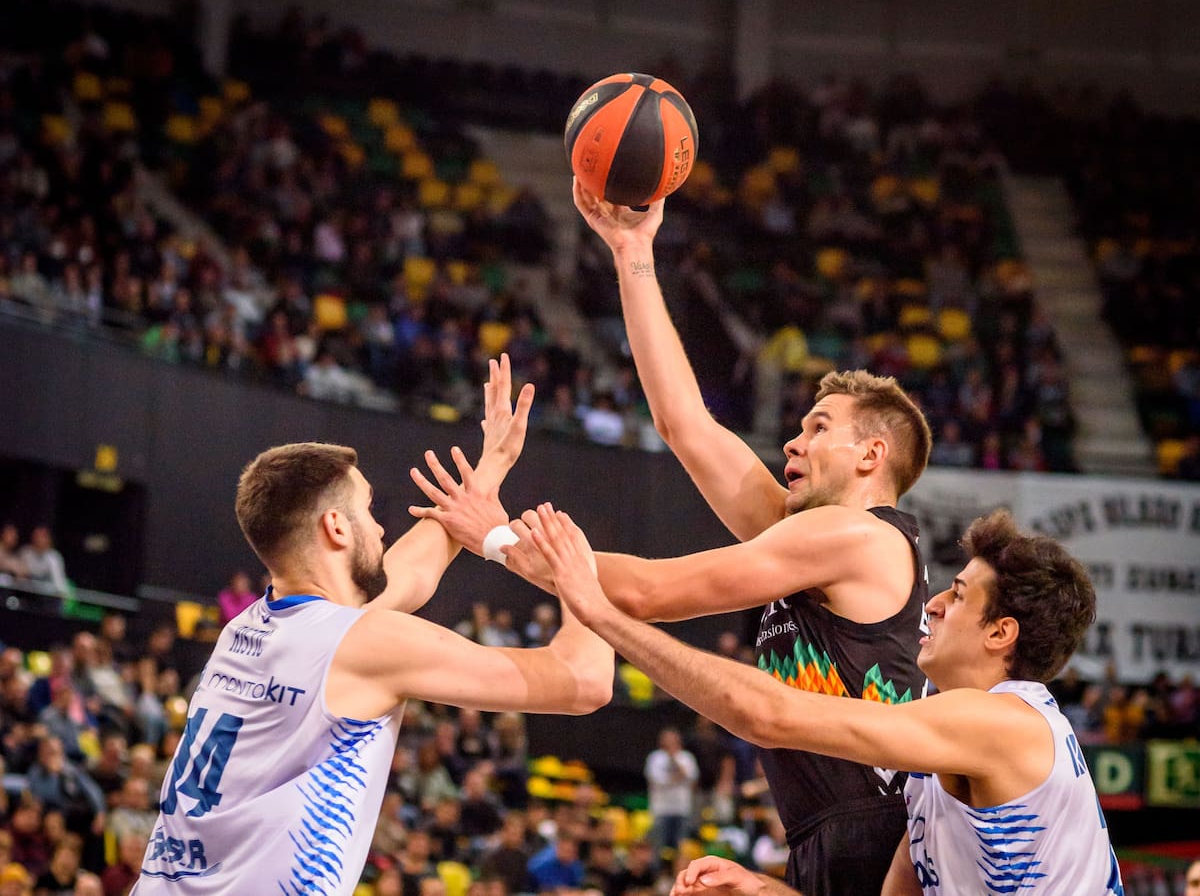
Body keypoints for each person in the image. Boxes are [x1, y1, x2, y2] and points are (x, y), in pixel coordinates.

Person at [412, 185, 933, 896]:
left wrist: (496, 539)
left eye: (818, 427)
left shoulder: (853, 535)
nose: (793, 441)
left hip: (877, 823)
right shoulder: (814, 538)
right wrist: (633, 253)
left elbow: (649, 593)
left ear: (872, 455)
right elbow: (683, 423)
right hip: (831, 830)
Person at [130, 358, 614, 895]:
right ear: (336, 527)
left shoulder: (250, 627)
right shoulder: (364, 643)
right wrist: (580, 576)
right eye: (369, 509)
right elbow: (585, 682)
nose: (382, 528)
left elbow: (408, 573)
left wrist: (493, 463)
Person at [514, 506, 1123, 896]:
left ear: (1000, 633)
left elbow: (771, 714)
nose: (934, 604)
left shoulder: (1007, 722)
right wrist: (762, 889)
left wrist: (599, 612)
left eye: (959, 596)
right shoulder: (933, 774)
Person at [644, 727, 699, 855]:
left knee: (682, 848)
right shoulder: (655, 757)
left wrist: (674, 759)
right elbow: (657, 781)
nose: (670, 742)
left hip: (682, 809)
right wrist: (678, 778)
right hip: (661, 809)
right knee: (657, 847)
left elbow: (692, 778)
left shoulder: (686, 757)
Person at [19, 527, 68, 595]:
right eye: (36, 536)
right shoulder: (26, 552)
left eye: (42, 537)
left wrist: (61, 593)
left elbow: (59, 582)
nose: (39, 539)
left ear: (48, 539)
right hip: (28, 592)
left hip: (48, 595)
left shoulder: (54, 557)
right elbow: (20, 574)